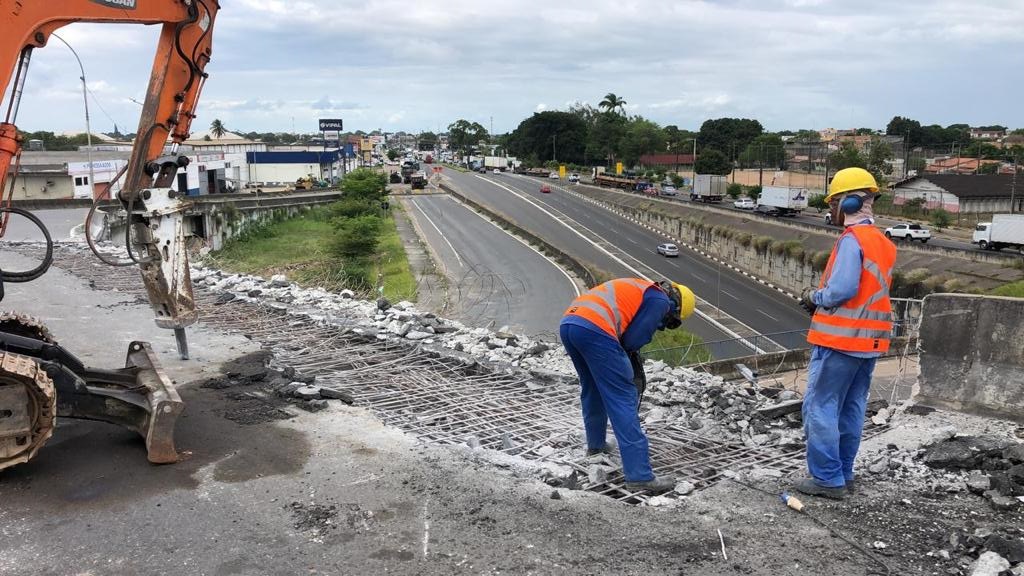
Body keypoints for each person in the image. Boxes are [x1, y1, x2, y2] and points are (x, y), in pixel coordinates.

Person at [795, 167, 897, 500]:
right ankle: (844, 474)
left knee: (820, 407)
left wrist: (814, 297)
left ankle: (827, 479)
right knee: (852, 407)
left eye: (835, 202)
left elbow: (840, 290)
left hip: (840, 341)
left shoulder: (852, 240)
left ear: (850, 202)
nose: (832, 209)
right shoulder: (883, 242)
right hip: (870, 343)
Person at [559, 278, 696, 494]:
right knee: (622, 398)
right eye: (670, 322)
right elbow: (633, 340)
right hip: (596, 329)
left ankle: (596, 446)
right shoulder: (660, 300)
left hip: (571, 324)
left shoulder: (641, 288)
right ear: (674, 307)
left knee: (593, 389)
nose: (664, 326)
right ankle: (640, 475)